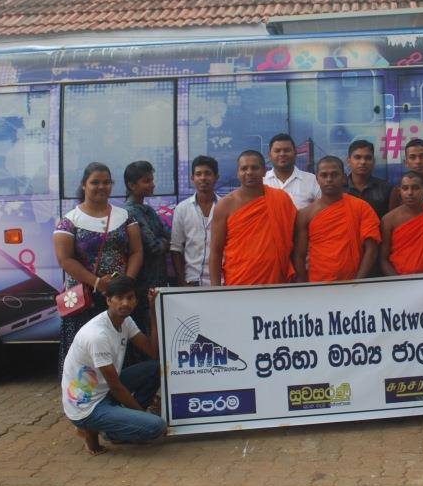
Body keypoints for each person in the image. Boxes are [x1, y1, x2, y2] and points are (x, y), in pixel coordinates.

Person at [54, 162, 142, 375]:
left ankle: (120, 390)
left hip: (118, 300)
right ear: (84, 185)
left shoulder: (125, 217)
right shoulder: (69, 221)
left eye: (106, 182)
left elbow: (136, 251)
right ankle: (84, 394)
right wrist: (97, 283)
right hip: (85, 300)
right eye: (95, 182)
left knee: (119, 349)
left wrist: (125, 284)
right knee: (86, 354)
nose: (101, 187)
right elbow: (65, 260)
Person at [62, 275, 165, 455]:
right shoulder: (98, 335)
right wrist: (143, 416)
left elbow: (153, 352)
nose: (125, 303)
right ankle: (105, 430)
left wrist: (153, 310)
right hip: (88, 407)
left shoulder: (125, 321)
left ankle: (118, 423)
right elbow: (116, 387)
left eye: (130, 298)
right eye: (119, 298)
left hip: (104, 391)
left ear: (136, 300)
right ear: (108, 300)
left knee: (156, 368)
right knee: (156, 426)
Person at [210, 150, 297, 285]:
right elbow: (216, 251)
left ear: (264, 171)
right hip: (239, 280)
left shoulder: (281, 199)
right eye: (244, 168)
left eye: (255, 168)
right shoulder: (225, 205)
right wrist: (215, 290)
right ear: (238, 173)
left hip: (277, 281)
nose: (249, 172)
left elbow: (294, 240)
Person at [294, 156, 380, 282]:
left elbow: (372, 249)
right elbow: (299, 255)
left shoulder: (361, 207)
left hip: (354, 281)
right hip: (318, 282)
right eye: (324, 175)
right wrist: (304, 285)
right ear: (317, 178)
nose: (329, 179)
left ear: (344, 178)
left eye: (334, 175)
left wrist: (358, 282)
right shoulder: (305, 214)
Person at [123, 160, 170, 363]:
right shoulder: (131, 212)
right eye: (146, 181)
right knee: (147, 330)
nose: (152, 184)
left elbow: (166, 237)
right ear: (131, 185)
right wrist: (164, 242)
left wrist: (164, 241)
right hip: (144, 283)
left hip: (155, 280)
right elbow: (155, 246)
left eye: (152, 180)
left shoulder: (147, 210)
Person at [170, 155, 220, 287]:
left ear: (216, 177)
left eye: (207, 173)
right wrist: (182, 282)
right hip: (192, 281)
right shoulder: (182, 208)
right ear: (192, 178)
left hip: (222, 280)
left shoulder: (225, 206)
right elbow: (176, 248)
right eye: (198, 174)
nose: (203, 178)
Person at [263, 133, 321, 209]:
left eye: (287, 150)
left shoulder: (312, 180)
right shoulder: (262, 181)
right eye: (277, 151)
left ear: (295, 153)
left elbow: (324, 208)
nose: (282, 154)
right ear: (270, 155)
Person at [345, 139, 392, 218]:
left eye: (368, 158)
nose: (363, 162)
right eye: (357, 157)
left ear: (374, 161)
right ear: (348, 161)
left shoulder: (386, 188)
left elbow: (391, 219)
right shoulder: (340, 188)